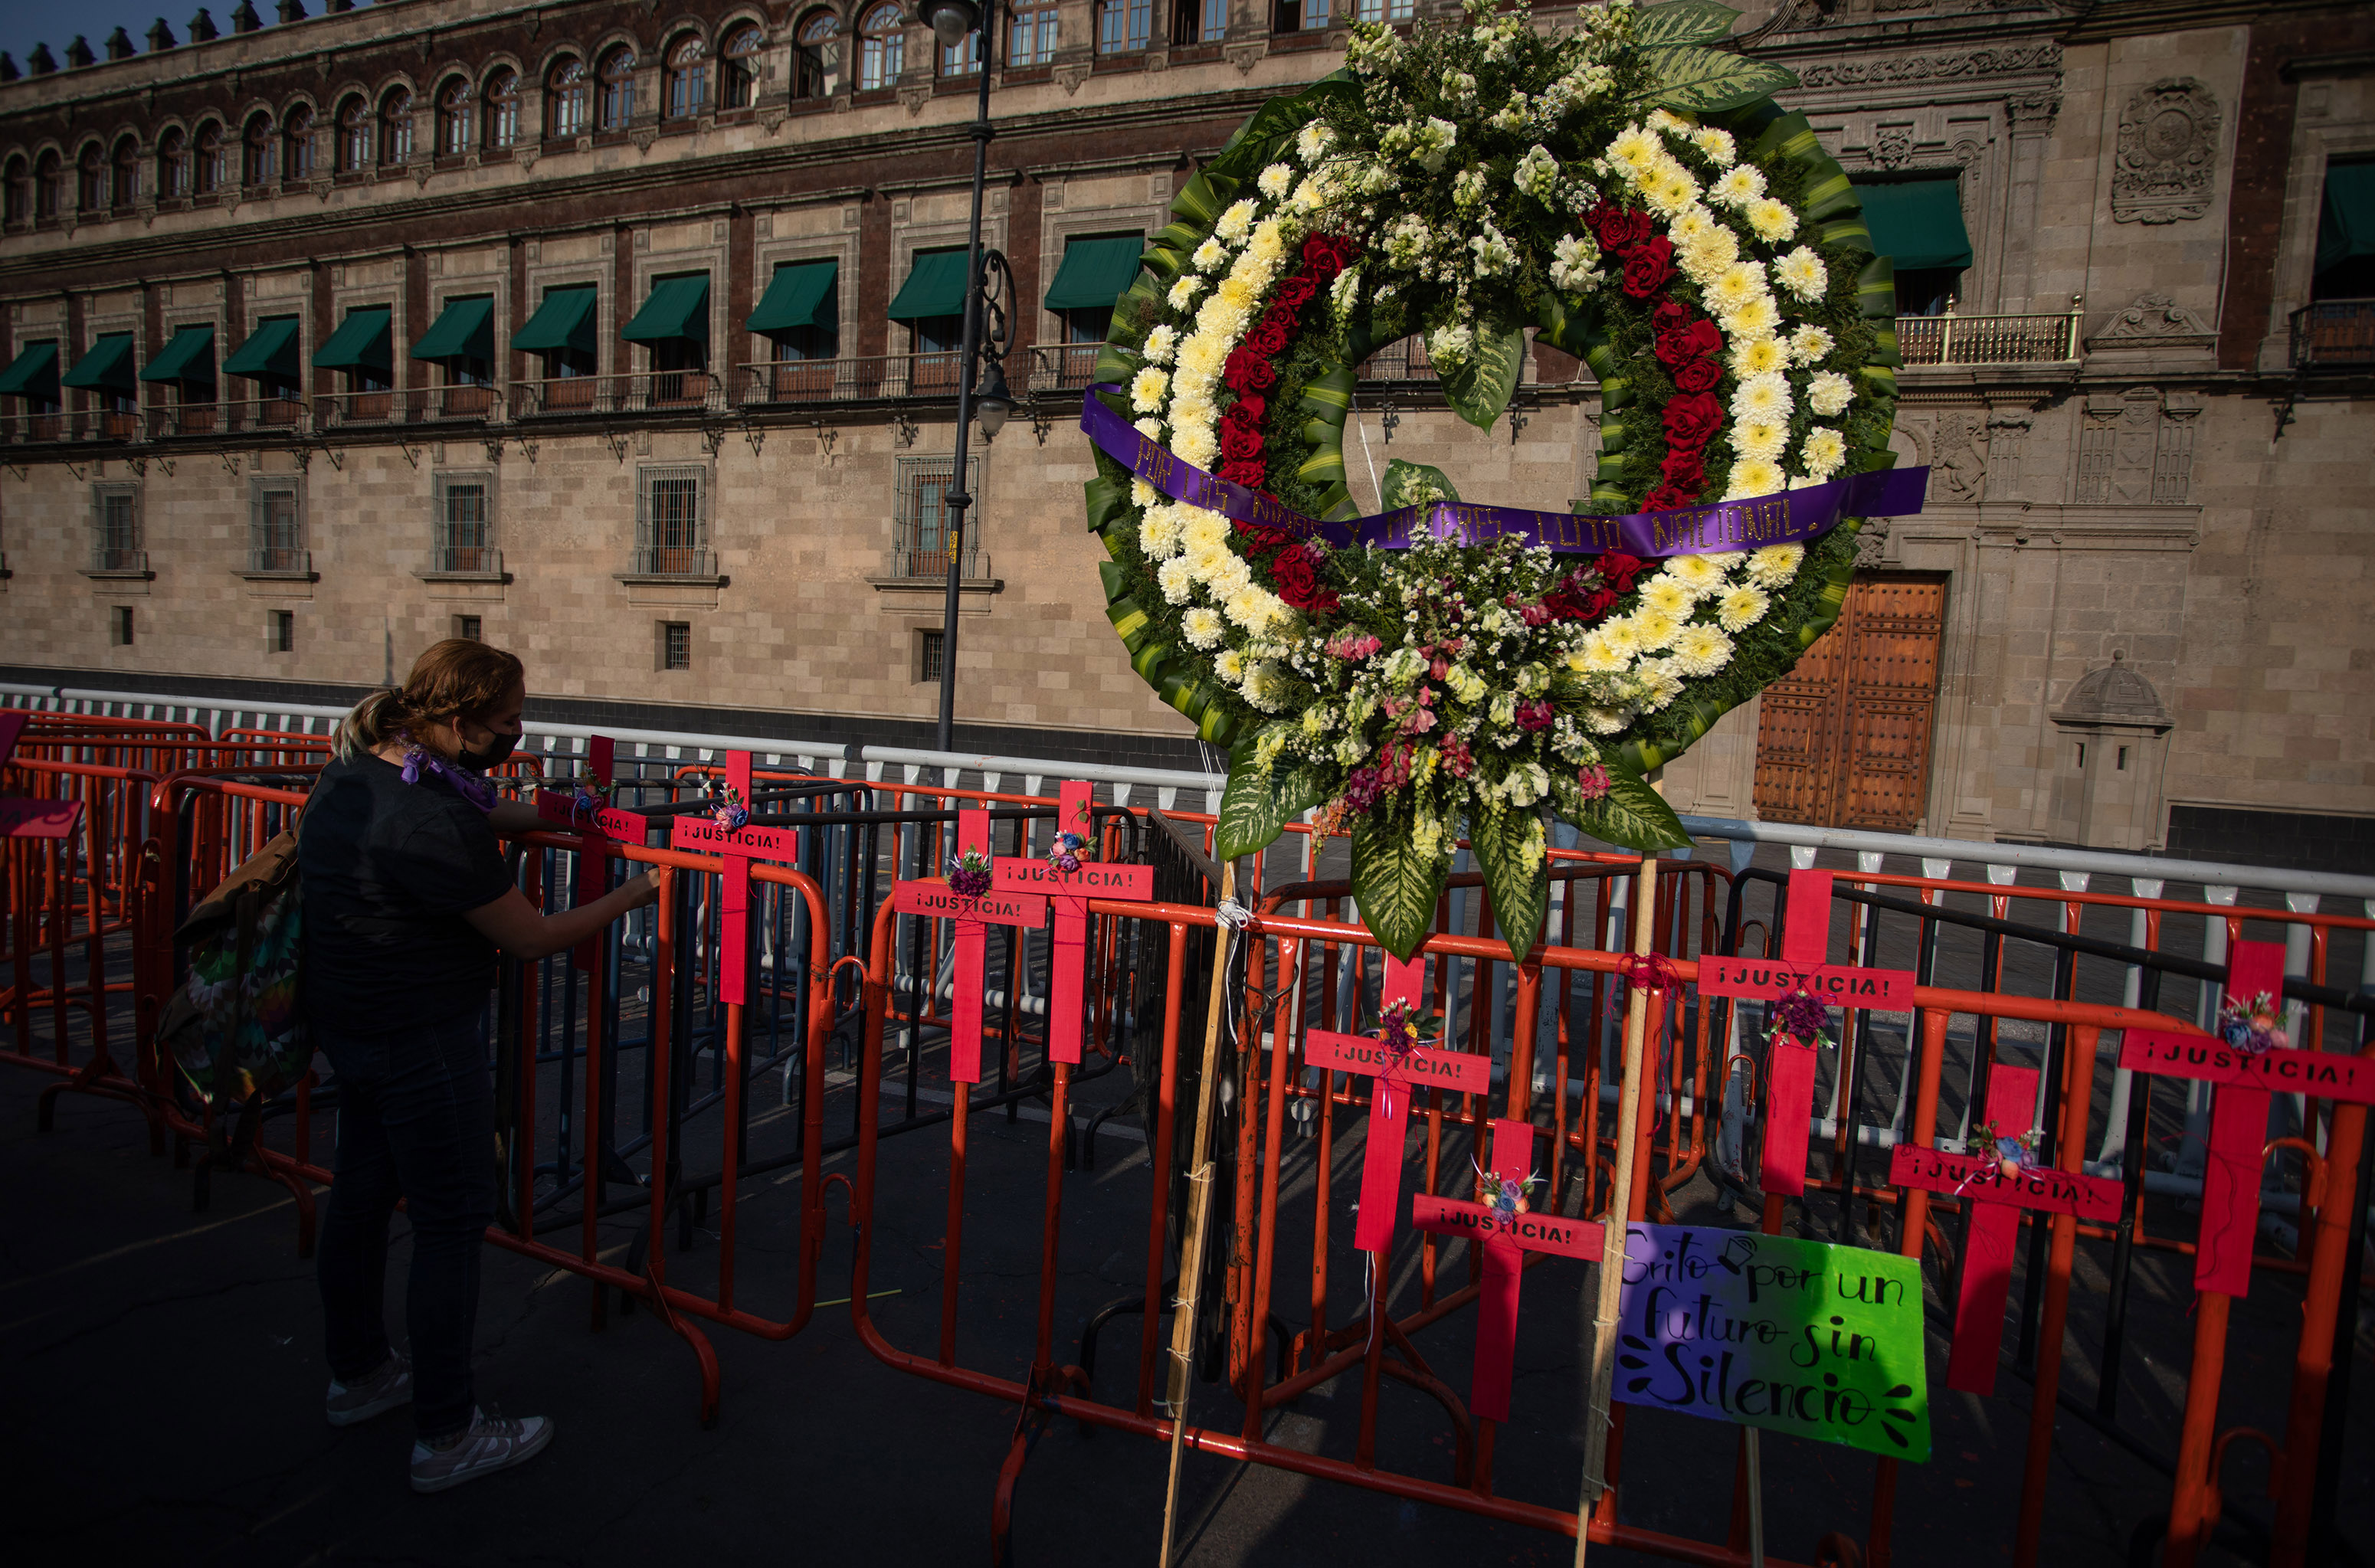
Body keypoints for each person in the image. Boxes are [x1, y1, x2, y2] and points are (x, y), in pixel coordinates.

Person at [300, 640, 657, 1493]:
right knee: (451, 1221)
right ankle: (448, 1432)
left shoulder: (358, 772)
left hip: (351, 1022)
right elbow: (529, 936)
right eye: (504, 724)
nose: (516, 734)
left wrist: (538, 817)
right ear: (456, 722)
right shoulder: (429, 819)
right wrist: (635, 896)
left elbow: (455, 820)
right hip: (421, 1034)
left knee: (357, 1196)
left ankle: (359, 1376)